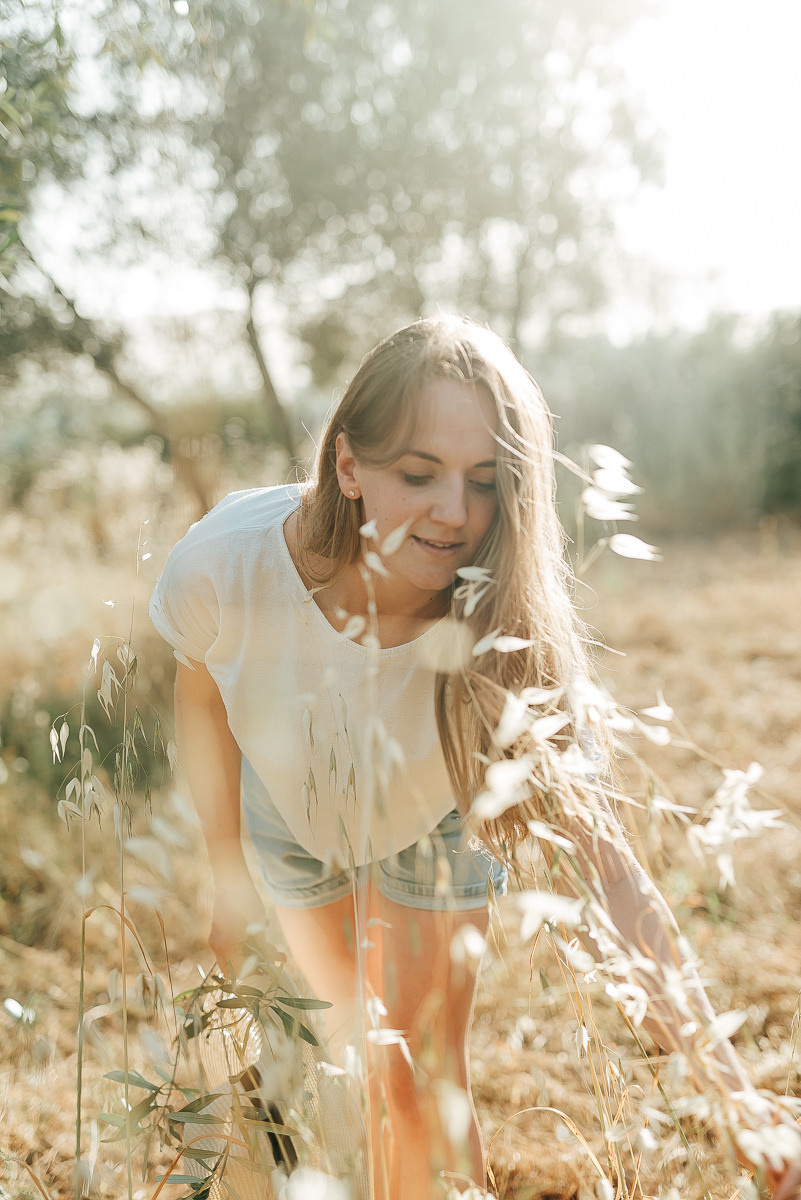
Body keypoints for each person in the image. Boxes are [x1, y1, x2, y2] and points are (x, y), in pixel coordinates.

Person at [149, 315, 801, 1199]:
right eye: (418, 475)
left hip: (436, 806)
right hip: (290, 810)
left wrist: (736, 1097)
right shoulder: (223, 565)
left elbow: (607, 878)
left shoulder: (508, 637)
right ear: (349, 466)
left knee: (415, 1078)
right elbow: (202, 697)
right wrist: (226, 874)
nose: (454, 513)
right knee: (348, 1055)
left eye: (484, 482)